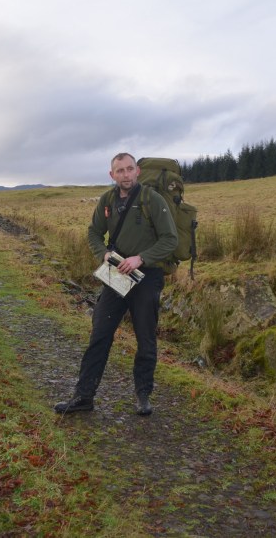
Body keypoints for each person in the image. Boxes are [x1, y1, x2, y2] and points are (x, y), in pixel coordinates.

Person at [55, 152, 178, 416]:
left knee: (145, 338)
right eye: (119, 170)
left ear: (138, 172)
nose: (125, 174)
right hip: (117, 276)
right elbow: (93, 232)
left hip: (147, 277)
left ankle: (143, 395)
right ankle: (83, 396)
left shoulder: (151, 200)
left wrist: (141, 258)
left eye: (129, 169)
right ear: (112, 175)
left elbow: (170, 239)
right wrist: (104, 253)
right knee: (99, 333)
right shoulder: (107, 200)